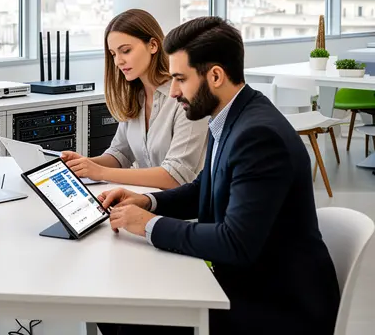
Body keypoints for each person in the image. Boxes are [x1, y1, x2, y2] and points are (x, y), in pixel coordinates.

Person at [99, 17, 340, 335]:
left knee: (131, 318)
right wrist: (146, 201)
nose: (172, 92)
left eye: (180, 79)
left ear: (215, 75)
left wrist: (147, 226)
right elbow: (204, 189)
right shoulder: (229, 113)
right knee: (118, 305)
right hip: (251, 279)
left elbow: (234, 242)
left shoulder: (258, 136)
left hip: (279, 305)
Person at [62, 9, 208, 189]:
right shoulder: (135, 98)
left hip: (185, 211)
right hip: (145, 200)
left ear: (153, 45)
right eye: (113, 54)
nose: (118, 62)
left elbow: (175, 176)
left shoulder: (186, 98)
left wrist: (99, 172)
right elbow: (120, 154)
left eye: (126, 51)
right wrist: (83, 165)